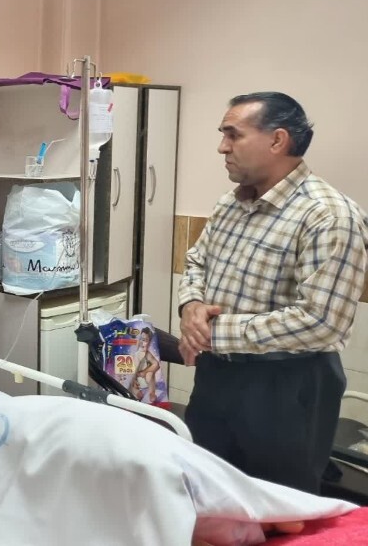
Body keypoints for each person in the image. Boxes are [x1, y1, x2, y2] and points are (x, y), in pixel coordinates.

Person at [178, 91, 368, 494]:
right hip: (217, 376)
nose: (222, 147)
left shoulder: (328, 215)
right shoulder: (231, 204)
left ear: (278, 140)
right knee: (204, 490)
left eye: (233, 134)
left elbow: (322, 322)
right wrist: (191, 305)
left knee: (278, 506)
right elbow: (196, 262)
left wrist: (213, 332)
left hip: (288, 386)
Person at [130, 327, 160, 403]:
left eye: (145, 340)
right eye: (140, 339)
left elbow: (156, 364)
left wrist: (144, 372)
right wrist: (133, 380)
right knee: (128, 380)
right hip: (134, 378)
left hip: (143, 377)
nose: (141, 342)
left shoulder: (147, 354)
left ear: (149, 343)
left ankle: (152, 393)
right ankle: (136, 393)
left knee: (150, 373)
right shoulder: (133, 353)